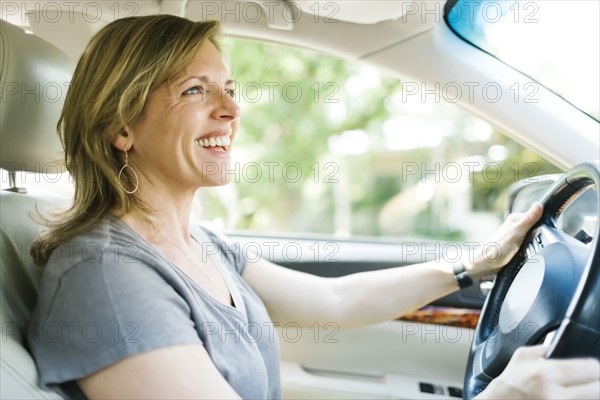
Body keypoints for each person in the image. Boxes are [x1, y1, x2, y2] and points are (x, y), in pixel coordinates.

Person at [28, 14, 599, 400]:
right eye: (194, 90)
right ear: (120, 125)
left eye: (229, 87)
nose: (231, 109)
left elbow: (332, 300)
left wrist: (473, 265)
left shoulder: (200, 245)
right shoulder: (106, 276)